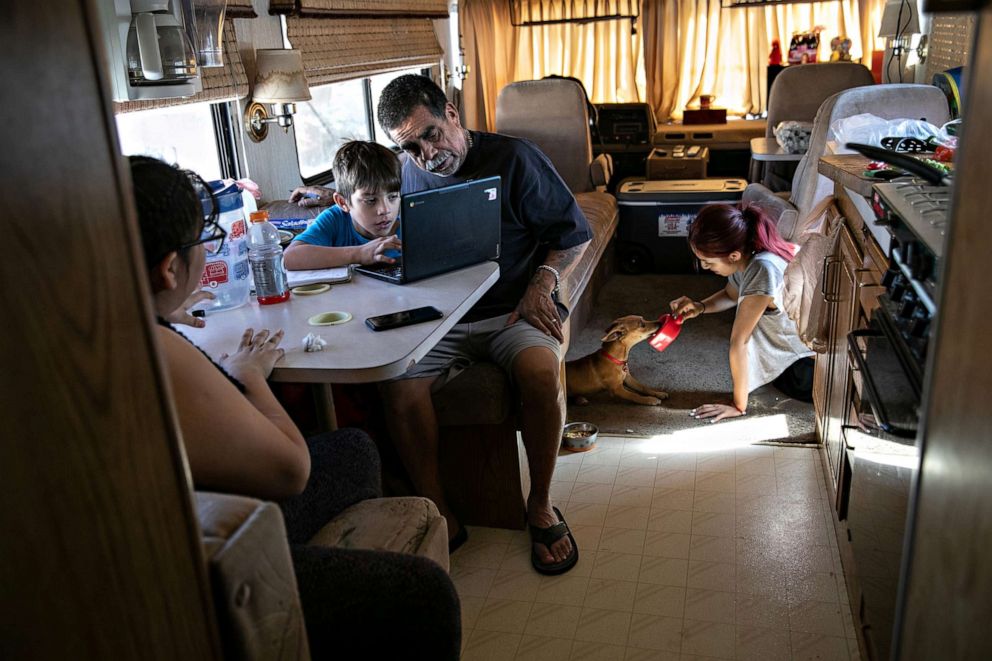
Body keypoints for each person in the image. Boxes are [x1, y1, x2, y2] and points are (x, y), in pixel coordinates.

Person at [129, 156, 460, 659]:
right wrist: (251, 377)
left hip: (195, 503)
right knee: (424, 594)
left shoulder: (120, 324)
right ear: (170, 268)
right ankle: (327, 578)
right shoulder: (157, 350)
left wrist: (161, 305)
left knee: (353, 449)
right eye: (205, 242)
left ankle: (336, 557)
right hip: (204, 550)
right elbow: (291, 469)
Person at [376, 74, 591, 574]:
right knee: (397, 388)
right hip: (442, 317)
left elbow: (574, 235)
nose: (427, 155)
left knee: (540, 376)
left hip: (515, 308)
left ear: (451, 113)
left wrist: (542, 283)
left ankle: (539, 505)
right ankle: (439, 512)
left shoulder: (516, 158)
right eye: (410, 147)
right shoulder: (410, 171)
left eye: (430, 134)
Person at [670, 203, 815, 423]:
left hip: (805, 368)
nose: (705, 266)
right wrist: (699, 307)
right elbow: (730, 295)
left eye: (708, 262)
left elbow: (740, 341)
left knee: (782, 381)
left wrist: (738, 405)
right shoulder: (751, 256)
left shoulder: (762, 269)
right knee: (762, 374)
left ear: (734, 255)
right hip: (796, 356)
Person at [284, 141, 403, 270]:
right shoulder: (335, 219)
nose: (385, 210)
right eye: (371, 200)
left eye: (392, 197)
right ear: (342, 202)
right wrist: (359, 254)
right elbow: (289, 258)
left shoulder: (410, 222)